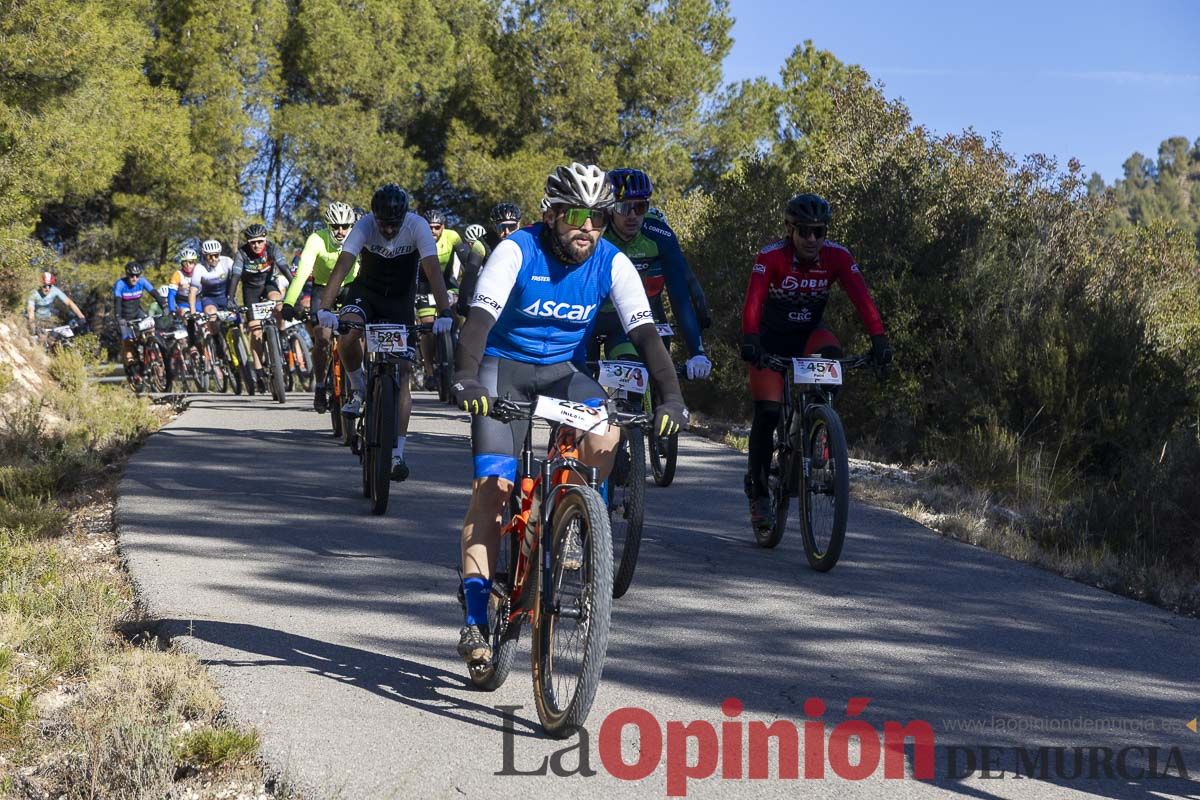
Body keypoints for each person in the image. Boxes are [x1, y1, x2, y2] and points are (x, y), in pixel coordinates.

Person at [450, 162, 688, 664]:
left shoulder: (611, 261)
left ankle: (577, 519)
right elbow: (478, 321)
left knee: (606, 434)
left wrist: (671, 397)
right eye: (577, 215)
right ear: (552, 214)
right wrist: (467, 377)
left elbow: (645, 335)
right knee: (492, 492)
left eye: (599, 217)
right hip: (501, 366)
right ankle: (474, 618)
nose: (588, 227)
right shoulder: (517, 249)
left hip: (562, 372)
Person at [740, 193, 892, 532]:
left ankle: (820, 429)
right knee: (766, 412)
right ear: (790, 230)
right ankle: (759, 493)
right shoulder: (771, 257)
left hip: (810, 334)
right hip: (771, 338)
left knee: (832, 360)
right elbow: (753, 300)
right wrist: (751, 339)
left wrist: (879, 339)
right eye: (804, 231)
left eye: (818, 232)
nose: (811, 239)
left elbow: (861, 296)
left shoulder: (837, 257)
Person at [314, 183, 454, 481]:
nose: (389, 230)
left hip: (400, 301)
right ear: (374, 216)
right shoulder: (364, 224)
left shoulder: (417, 226)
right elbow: (342, 266)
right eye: (383, 224)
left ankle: (397, 454)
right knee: (347, 331)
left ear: (404, 217)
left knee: (402, 372)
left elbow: (432, 271)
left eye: (394, 224)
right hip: (368, 293)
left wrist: (444, 313)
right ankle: (358, 386)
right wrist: (325, 308)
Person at [587, 168, 711, 389]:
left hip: (623, 323)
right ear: (609, 208)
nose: (633, 215)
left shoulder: (658, 235)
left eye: (640, 207)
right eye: (624, 207)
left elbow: (680, 297)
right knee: (581, 386)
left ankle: (631, 419)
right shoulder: (595, 232)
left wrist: (697, 351)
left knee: (633, 380)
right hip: (589, 319)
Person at [281, 201, 361, 412]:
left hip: (349, 288)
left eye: (345, 226)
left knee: (355, 333)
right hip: (323, 290)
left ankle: (358, 379)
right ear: (327, 225)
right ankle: (320, 384)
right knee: (322, 337)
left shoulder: (359, 236)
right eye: (336, 226)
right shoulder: (316, 239)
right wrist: (289, 302)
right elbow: (302, 273)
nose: (341, 231)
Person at [416, 209, 481, 390]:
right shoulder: (416, 238)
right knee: (427, 328)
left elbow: (466, 260)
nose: (433, 232)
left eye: (437, 228)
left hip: (447, 284)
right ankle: (429, 372)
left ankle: (452, 357)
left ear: (443, 227)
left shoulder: (452, 236)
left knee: (454, 319)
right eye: (429, 228)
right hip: (424, 286)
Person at [228, 223, 293, 376]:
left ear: (265, 239)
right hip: (250, 290)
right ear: (248, 243)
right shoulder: (242, 253)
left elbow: (284, 268)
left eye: (259, 241)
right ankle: (258, 369)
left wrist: (296, 289)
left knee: (278, 303)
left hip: (268, 284)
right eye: (252, 242)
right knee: (255, 330)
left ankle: (282, 334)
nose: (256, 245)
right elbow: (235, 277)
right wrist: (230, 298)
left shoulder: (272, 248)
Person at [113, 262, 167, 385]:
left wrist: (163, 305)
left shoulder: (142, 282)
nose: (135, 278)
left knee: (150, 328)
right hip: (124, 316)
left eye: (137, 275)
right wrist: (118, 318)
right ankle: (132, 369)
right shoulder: (120, 284)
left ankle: (151, 348)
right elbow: (117, 303)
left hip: (137, 313)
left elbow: (154, 293)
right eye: (132, 276)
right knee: (128, 342)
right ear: (127, 275)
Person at [26, 271, 85, 338]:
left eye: (49, 286)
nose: (47, 288)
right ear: (40, 284)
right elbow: (31, 311)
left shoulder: (54, 290)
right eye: (45, 285)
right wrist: (33, 327)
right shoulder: (33, 293)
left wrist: (81, 316)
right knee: (41, 338)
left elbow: (69, 303)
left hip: (47, 318)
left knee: (54, 337)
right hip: (35, 319)